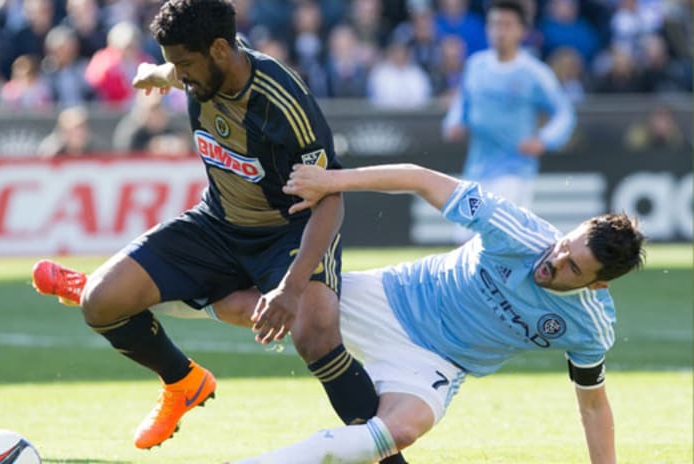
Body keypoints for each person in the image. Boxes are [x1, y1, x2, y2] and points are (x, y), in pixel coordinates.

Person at [32, 2, 406, 462]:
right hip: (218, 224)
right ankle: (182, 381)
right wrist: (154, 72)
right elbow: (176, 71)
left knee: (315, 333)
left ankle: (389, 458)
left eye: (185, 64)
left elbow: (330, 198)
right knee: (101, 302)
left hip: (288, 232)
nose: (182, 76)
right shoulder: (199, 69)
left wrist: (290, 289)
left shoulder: (281, 101)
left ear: (220, 49)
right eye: (176, 64)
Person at [181, 162, 640, 463]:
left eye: (571, 267)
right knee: (251, 305)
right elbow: (421, 178)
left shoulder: (590, 326)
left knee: (402, 429)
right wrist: (332, 181)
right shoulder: (517, 231)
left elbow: (594, 407)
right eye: (563, 246)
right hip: (393, 297)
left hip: (438, 363)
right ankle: (143, 305)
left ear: (596, 284)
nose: (552, 261)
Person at [443, 0, 575, 240]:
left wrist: (545, 140)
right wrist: (453, 123)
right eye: (494, 24)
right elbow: (462, 103)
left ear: (521, 31)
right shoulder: (475, 66)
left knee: (496, 238)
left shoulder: (534, 72)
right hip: (476, 168)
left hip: (514, 170)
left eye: (507, 25)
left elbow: (564, 113)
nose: (499, 31)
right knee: (462, 240)